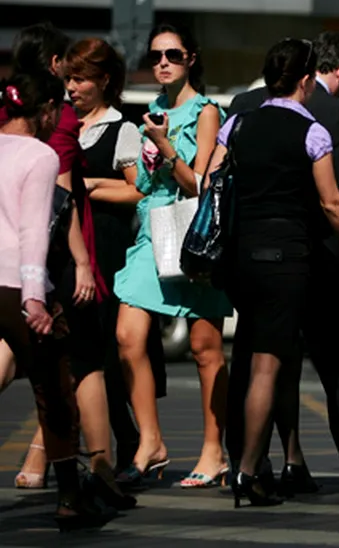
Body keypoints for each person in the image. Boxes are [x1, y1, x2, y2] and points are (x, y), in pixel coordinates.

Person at [228, 31, 339, 490]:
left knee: (258, 358)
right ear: (327, 73)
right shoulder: (336, 119)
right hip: (312, 259)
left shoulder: (241, 109)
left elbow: (215, 180)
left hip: (248, 255)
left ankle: (266, 460)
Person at [207, 38, 339, 507]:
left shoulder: (237, 123)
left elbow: (213, 181)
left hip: (240, 257)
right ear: (306, 80)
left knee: (250, 353)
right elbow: (332, 203)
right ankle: (249, 471)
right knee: (267, 366)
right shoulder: (313, 132)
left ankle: (248, 460)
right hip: (286, 257)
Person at [113, 24, 233, 488]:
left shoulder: (206, 113)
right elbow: (141, 186)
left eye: (173, 55)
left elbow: (197, 184)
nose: (162, 62)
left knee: (205, 349)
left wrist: (163, 148)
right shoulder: (150, 112)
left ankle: (213, 450)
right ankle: (151, 442)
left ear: (191, 59)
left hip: (192, 233)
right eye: (156, 55)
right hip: (152, 231)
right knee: (128, 335)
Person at [0, 70, 116, 531]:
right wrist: (34, 300)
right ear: (46, 110)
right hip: (15, 285)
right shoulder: (41, 155)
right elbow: (33, 232)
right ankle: (71, 497)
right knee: (55, 392)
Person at [53, 38, 144, 508]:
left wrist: (85, 187)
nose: (72, 88)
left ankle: (119, 449)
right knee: (79, 356)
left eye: (81, 79)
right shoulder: (60, 125)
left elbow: (137, 192)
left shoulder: (122, 129)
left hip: (105, 248)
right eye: (68, 79)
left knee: (100, 353)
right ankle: (113, 449)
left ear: (104, 80)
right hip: (65, 251)